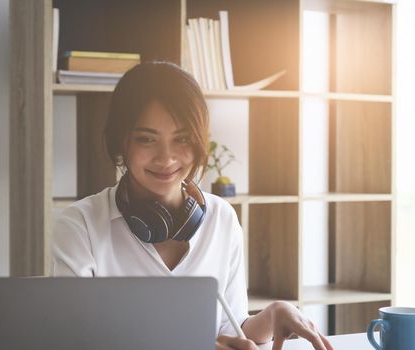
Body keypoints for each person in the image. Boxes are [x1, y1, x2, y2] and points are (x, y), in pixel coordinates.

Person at [51, 61, 333, 350]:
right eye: (146, 139)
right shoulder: (80, 226)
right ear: (121, 142)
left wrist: (271, 315)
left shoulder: (221, 218)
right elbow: (74, 341)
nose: (166, 158)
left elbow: (230, 326)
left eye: (182, 139)